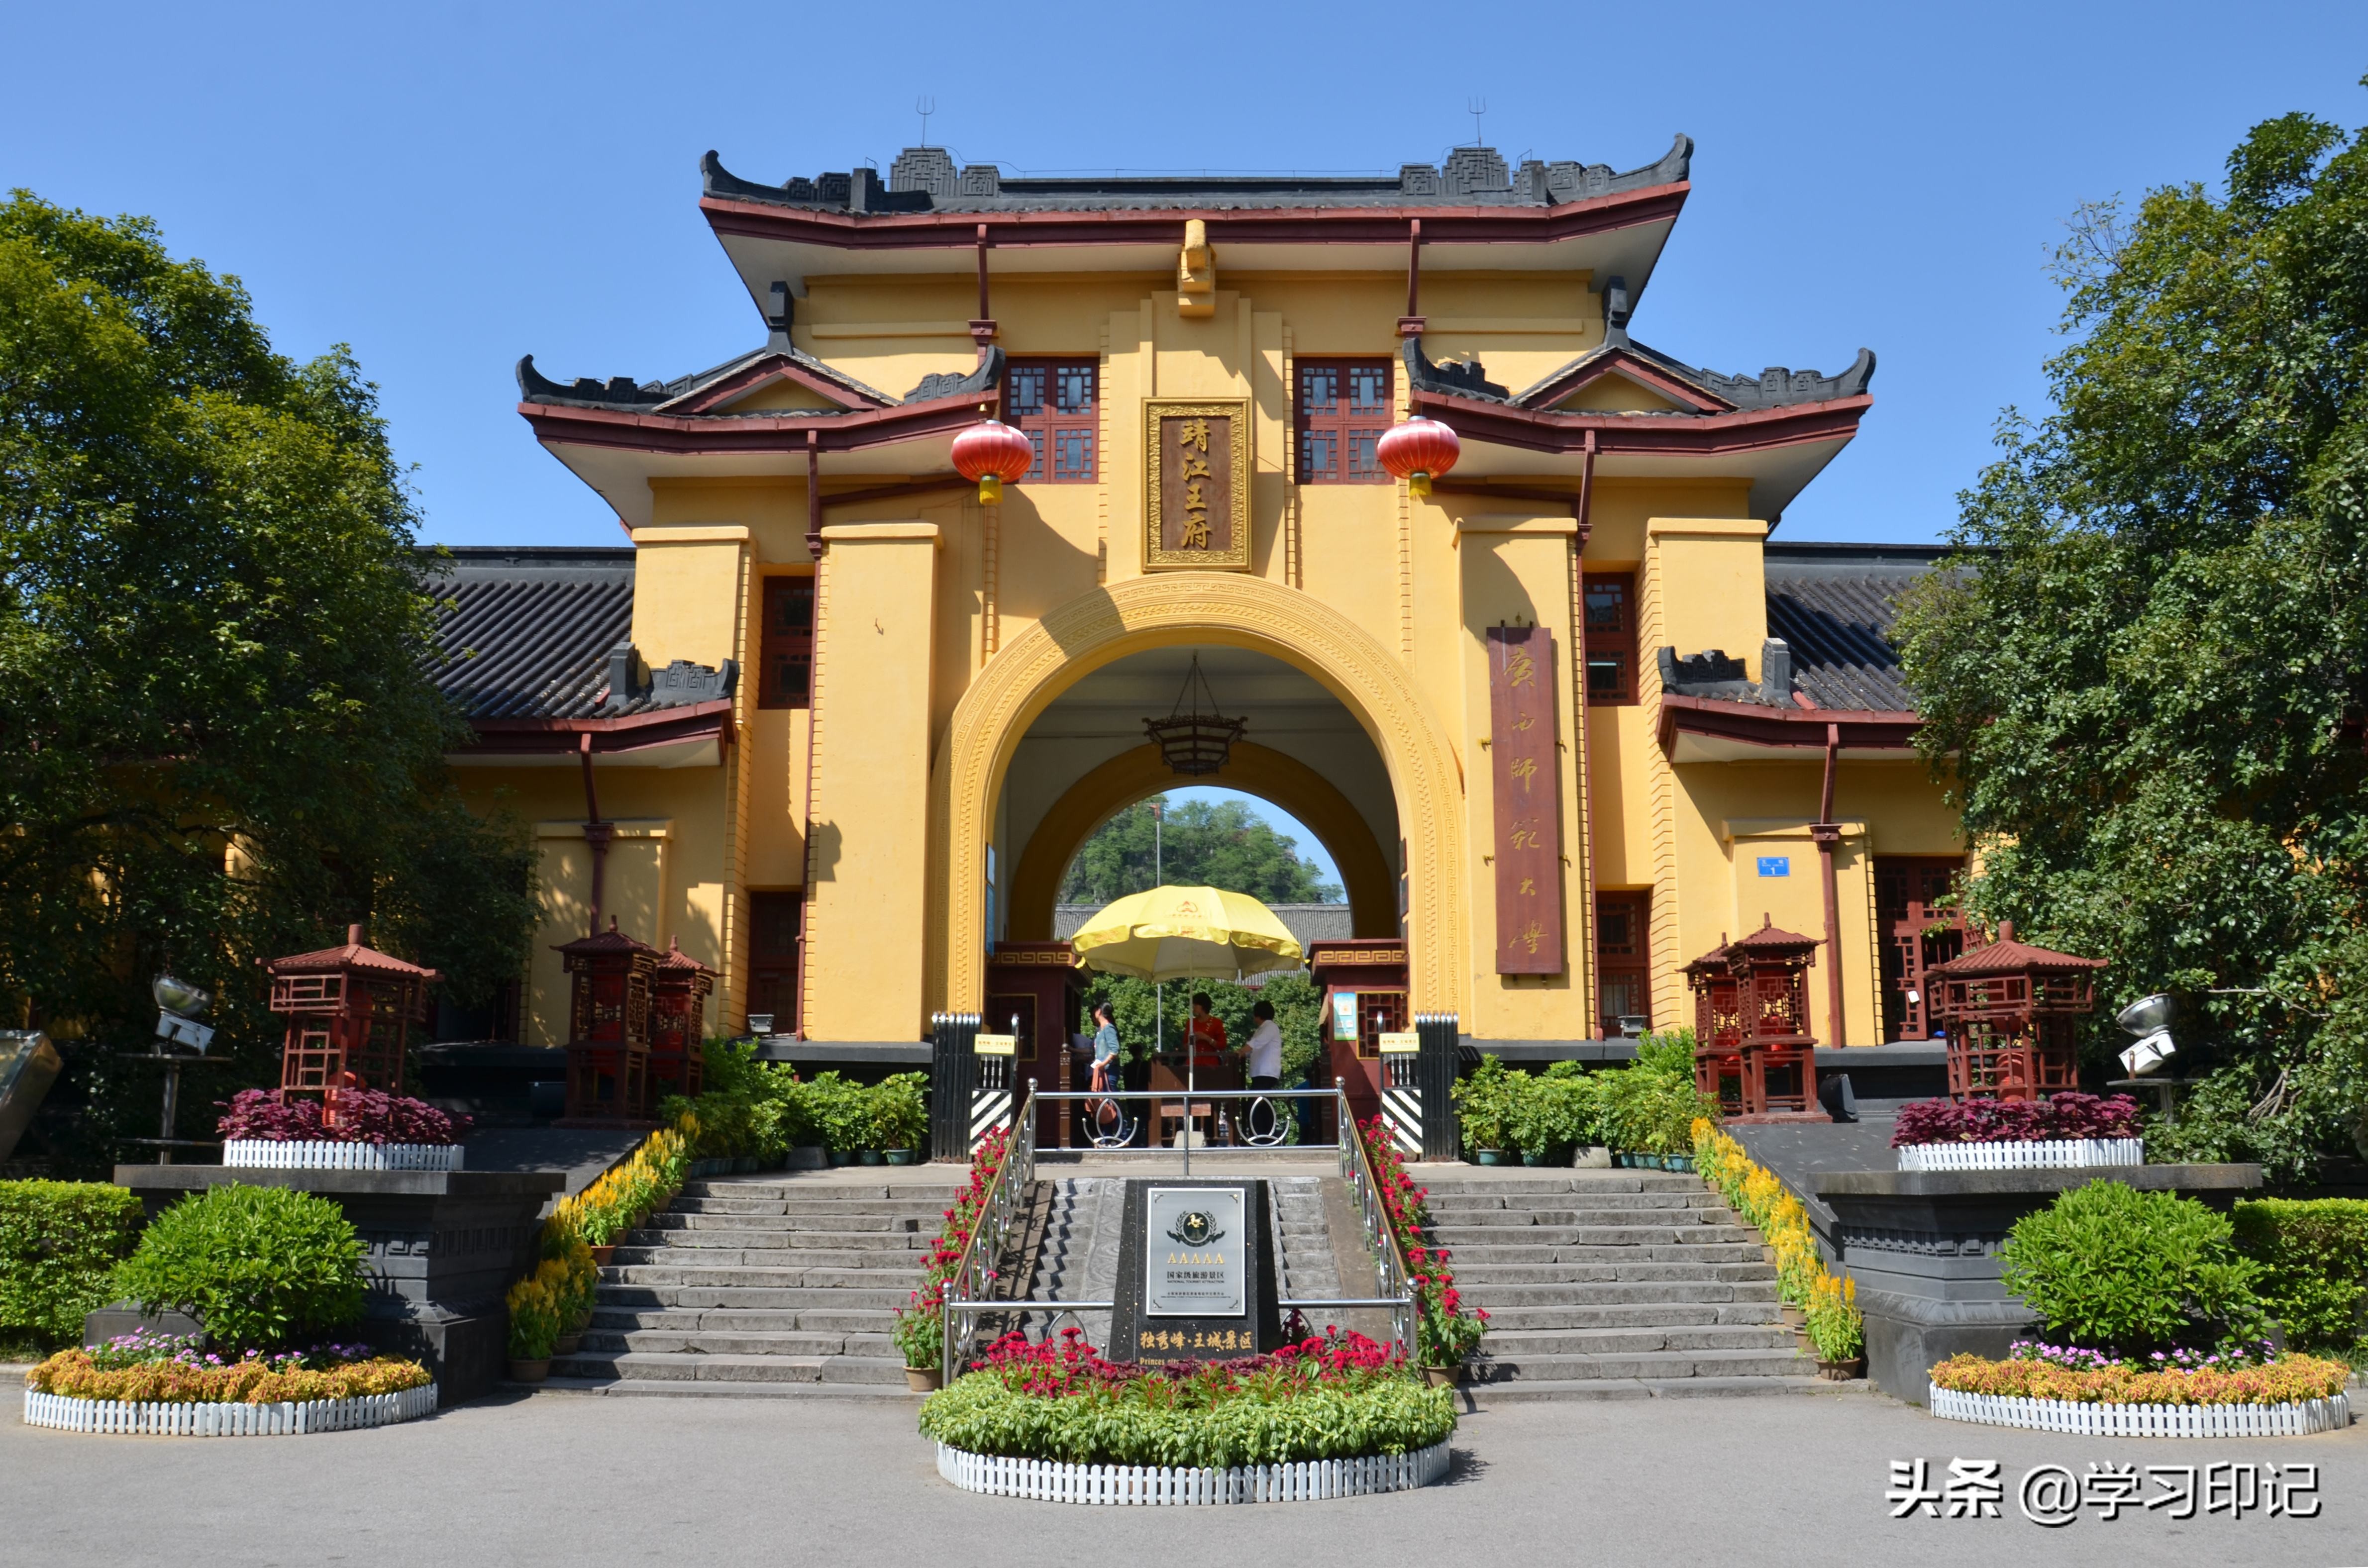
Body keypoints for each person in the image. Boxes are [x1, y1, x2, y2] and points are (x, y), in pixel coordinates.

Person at [1242, 998, 1283, 1141]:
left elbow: (1255, 1044)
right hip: (1261, 1072)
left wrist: (1239, 1053)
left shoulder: (1270, 1027)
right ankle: (1265, 1136)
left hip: (1266, 1072)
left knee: (1256, 1104)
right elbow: (1252, 1049)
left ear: (1258, 1015)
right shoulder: (1262, 1029)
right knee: (1263, 1104)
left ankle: (1261, 1137)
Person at [1087, 1002, 1125, 1139]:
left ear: (1099, 1012)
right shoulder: (1100, 1030)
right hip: (1103, 1070)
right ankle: (1107, 1135)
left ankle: (1122, 1133)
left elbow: (1115, 1050)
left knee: (1111, 1101)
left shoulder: (1109, 1029)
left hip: (1109, 1070)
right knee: (1104, 1102)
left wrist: (1103, 1063)